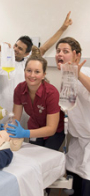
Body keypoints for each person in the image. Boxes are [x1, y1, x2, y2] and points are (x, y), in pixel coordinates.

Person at [0, 12, 72, 130]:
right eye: (16, 46)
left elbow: (45, 47)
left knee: (15, 141)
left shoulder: (28, 64)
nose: (15, 49)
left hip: (18, 113)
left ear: (27, 53)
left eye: (20, 48)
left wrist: (63, 28)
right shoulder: (2, 61)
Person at [5, 46, 65, 151]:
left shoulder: (51, 93)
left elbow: (51, 129)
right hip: (34, 127)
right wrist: (7, 128)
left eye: (37, 72)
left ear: (43, 75)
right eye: (29, 70)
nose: (32, 75)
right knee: (33, 154)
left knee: (46, 157)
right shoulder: (19, 89)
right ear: (24, 71)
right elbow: (15, 118)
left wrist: (25, 133)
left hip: (54, 132)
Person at [55, 37, 90, 196]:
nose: (60, 54)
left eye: (65, 51)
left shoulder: (86, 73)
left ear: (77, 56)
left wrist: (78, 74)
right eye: (58, 51)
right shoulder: (64, 78)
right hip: (77, 144)